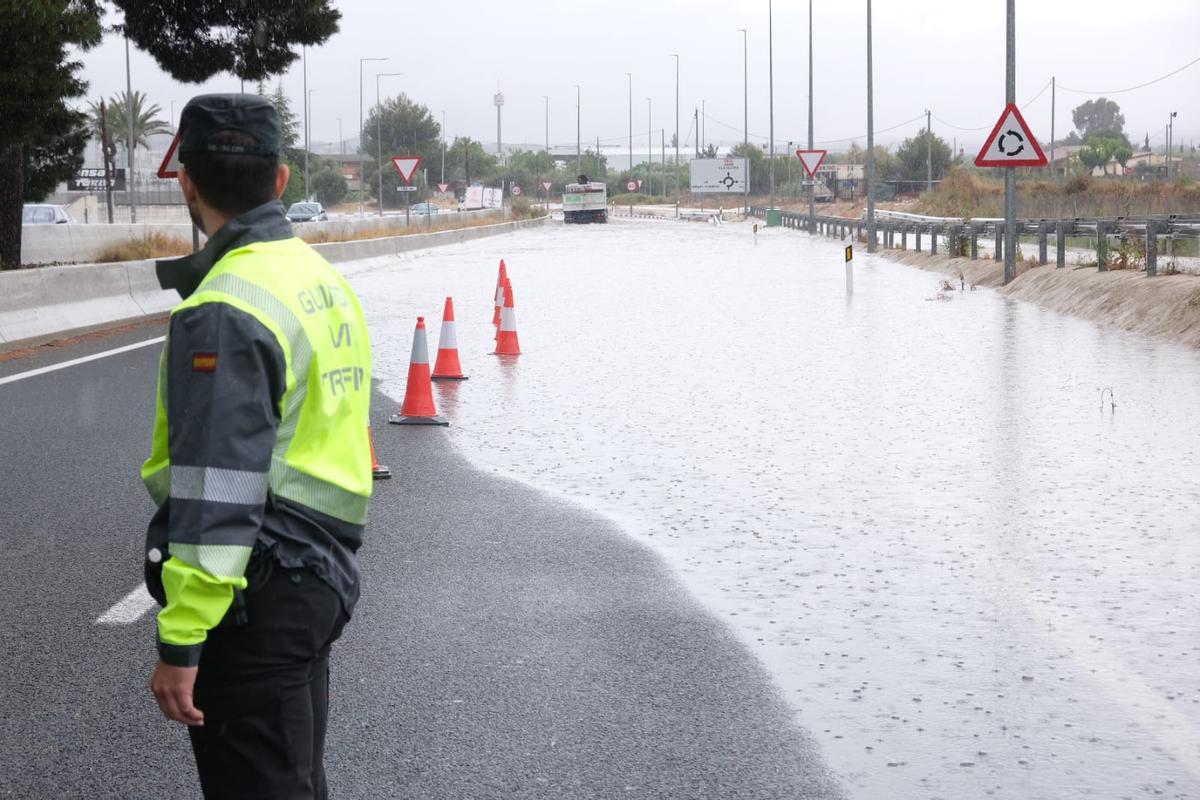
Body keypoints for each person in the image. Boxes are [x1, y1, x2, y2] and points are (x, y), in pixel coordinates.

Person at [141, 94, 373, 800]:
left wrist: (183, 638)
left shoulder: (224, 305)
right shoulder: (317, 279)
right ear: (280, 181)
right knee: (295, 782)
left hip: (258, 592)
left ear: (186, 180)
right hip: (322, 572)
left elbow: (218, 487)